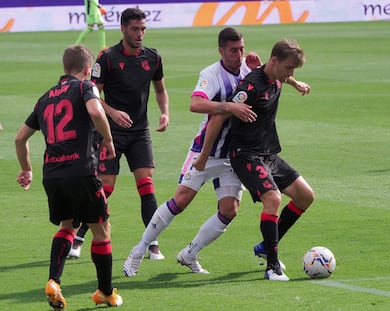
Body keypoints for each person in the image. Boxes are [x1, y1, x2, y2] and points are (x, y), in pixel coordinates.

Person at [122, 27, 310, 277]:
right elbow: (195, 104)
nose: (239, 55)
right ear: (221, 50)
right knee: (181, 200)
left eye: (241, 49)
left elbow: (276, 72)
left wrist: (296, 83)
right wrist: (228, 108)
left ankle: (190, 253)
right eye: (233, 50)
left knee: (229, 210)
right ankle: (138, 250)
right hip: (207, 150)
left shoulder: (248, 68)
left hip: (235, 154)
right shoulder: (211, 74)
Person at [195, 38, 313, 281]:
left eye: (293, 69)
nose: (289, 72)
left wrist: (294, 82)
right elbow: (218, 117)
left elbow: (280, 77)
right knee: (273, 198)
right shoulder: (250, 88)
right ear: (274, 61)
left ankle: (266, 245)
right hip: (245, 154)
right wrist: (203, 156)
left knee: (305, 196)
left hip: (268, 153)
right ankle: (272, 267)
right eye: (288, 68)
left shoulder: (276, 75)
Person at [15, 45, 122, 309]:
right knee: (102, 230)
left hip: (52, 174)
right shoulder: (86, 87)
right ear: (88, 70)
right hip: (82, 170)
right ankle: (105, 292)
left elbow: (20, 138)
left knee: (68, 225)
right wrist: (108, 140)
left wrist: (26, 169)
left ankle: (54, 281)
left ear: (64, 68)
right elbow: (97, 112)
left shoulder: (44, 98)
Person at [68, 8, 169, 261]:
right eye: (135, 29)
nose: (140, 34)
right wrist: (112, 113)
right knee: (105, 189)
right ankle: (79, 236)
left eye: (143, 29)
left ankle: (151, 242)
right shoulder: (108, 58)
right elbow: (93, 94)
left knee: (146, 186)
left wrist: (164, 112)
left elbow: (160, 90)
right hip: (109, 133)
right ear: (123, 29)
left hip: (139, 132)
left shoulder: (153, 58)